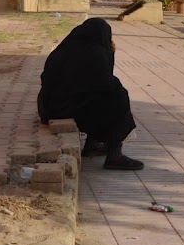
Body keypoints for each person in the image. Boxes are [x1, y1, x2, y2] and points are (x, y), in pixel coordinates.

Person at [37, 17, 143, 171]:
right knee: (118, 97)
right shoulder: (96, 53)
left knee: (94, 97)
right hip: (65, 110)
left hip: (48, 108)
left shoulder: (64, 48)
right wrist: (110, 53)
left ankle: (92, 144)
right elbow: (107, 84)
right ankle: (114, 155)